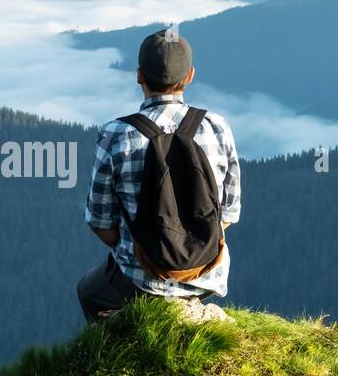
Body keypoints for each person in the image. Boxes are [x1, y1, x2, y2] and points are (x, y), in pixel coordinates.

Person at [78, 29, 241, 321]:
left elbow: (101, 223)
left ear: (139, 75)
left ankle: (122, 357)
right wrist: (186, 250)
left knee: (90, 291)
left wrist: (147, 249)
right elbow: (228, 214)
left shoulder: (116, 134)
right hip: (204, 274)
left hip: (140, 278)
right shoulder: (217, 127)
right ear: (190, 75)